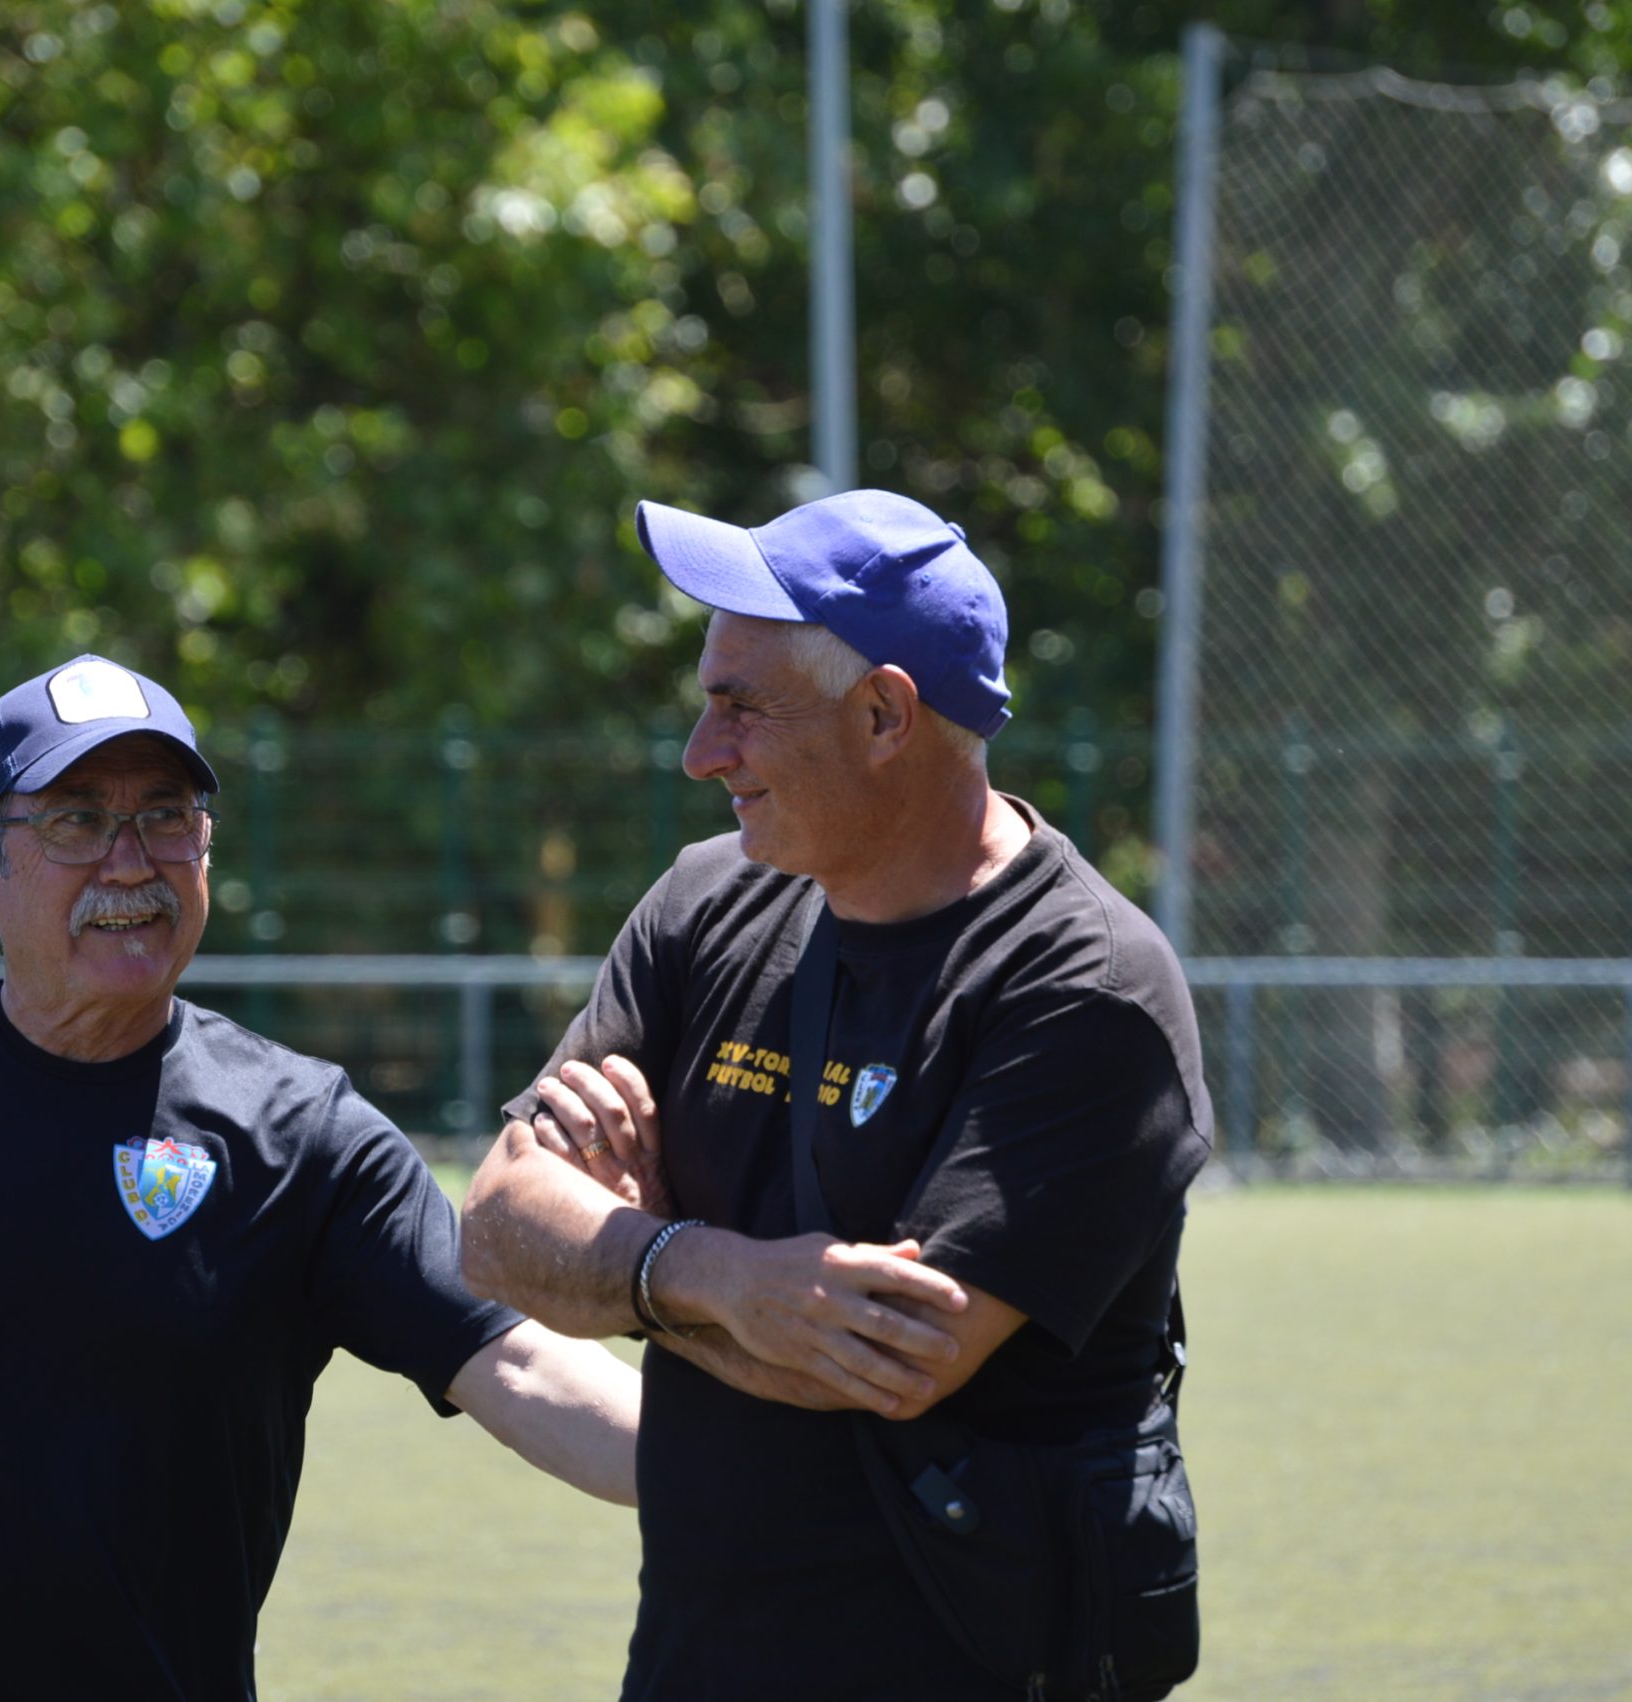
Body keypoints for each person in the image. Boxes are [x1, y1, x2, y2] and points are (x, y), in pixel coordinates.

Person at [0, 654, 641, 1699]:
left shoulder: (302, 1131)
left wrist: (753, 1462)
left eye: (165, 815)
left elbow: (515, 1364)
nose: (129, 862)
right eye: (77, 820)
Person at [461, 490, 1214, 1700]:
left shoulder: (1088, 988)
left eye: (740, 705)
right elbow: (495, 1228)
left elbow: (886, 1356)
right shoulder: (704, 901)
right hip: (696, 1660)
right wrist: (710, 1272)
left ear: (883, 714)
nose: (703, 753)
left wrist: (618, 1256)